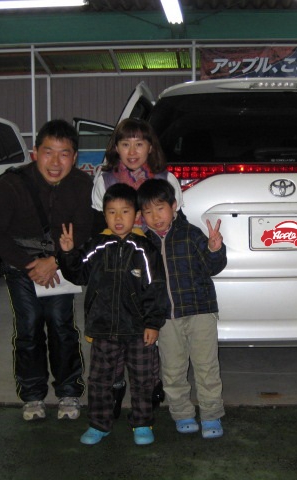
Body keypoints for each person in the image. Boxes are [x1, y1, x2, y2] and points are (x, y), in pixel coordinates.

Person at [0, 119, 97, 422]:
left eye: (64, 154)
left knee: (61, 324)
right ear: (35, 152)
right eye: (48, 152)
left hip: (60, 264)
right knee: (29, 325)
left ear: (75, 157)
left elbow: (85, 230)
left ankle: (69, 391)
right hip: (21, 266)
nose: (55, 162)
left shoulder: (82, 185)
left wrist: (55, 261)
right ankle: (32, 395)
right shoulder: (12, 184)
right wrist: (29, 265)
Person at [57, 183, 166, 446]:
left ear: (136, 216)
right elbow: (78, 274)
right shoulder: (96, 246)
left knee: (143, 379)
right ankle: (99, 424)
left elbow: (156, 288)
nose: (118, 218)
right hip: (103, 328)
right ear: (104, 215)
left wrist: (153, 323)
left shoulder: (145, 249)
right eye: (112, 212)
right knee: (99, 381)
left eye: (125, 211)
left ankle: (142, 422)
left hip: (138, 331)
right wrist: (68, 253)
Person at [91, 117, 181, 415]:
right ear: (115, 147)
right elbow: (98, 228)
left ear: (150, 147)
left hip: (152, 267)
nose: (132, 151)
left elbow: (174, 223)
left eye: (139, 144)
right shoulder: (104, 180)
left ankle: (150, 385)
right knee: (114, 334)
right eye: (125, 144)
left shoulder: (166, 179)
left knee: (148, 333)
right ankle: (116, 387)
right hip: (115, 272)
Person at [137, 178, 227, 439]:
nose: (156, 217)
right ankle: (182, 413)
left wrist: (215, 249)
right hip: (166, 318)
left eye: (160, 208)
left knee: (206, 367)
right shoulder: (142, 243)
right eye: (148, 212)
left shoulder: (191, 234)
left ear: (174, 206)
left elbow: (212, 267)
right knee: (172, 369)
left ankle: (211, 414)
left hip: (200, 312)